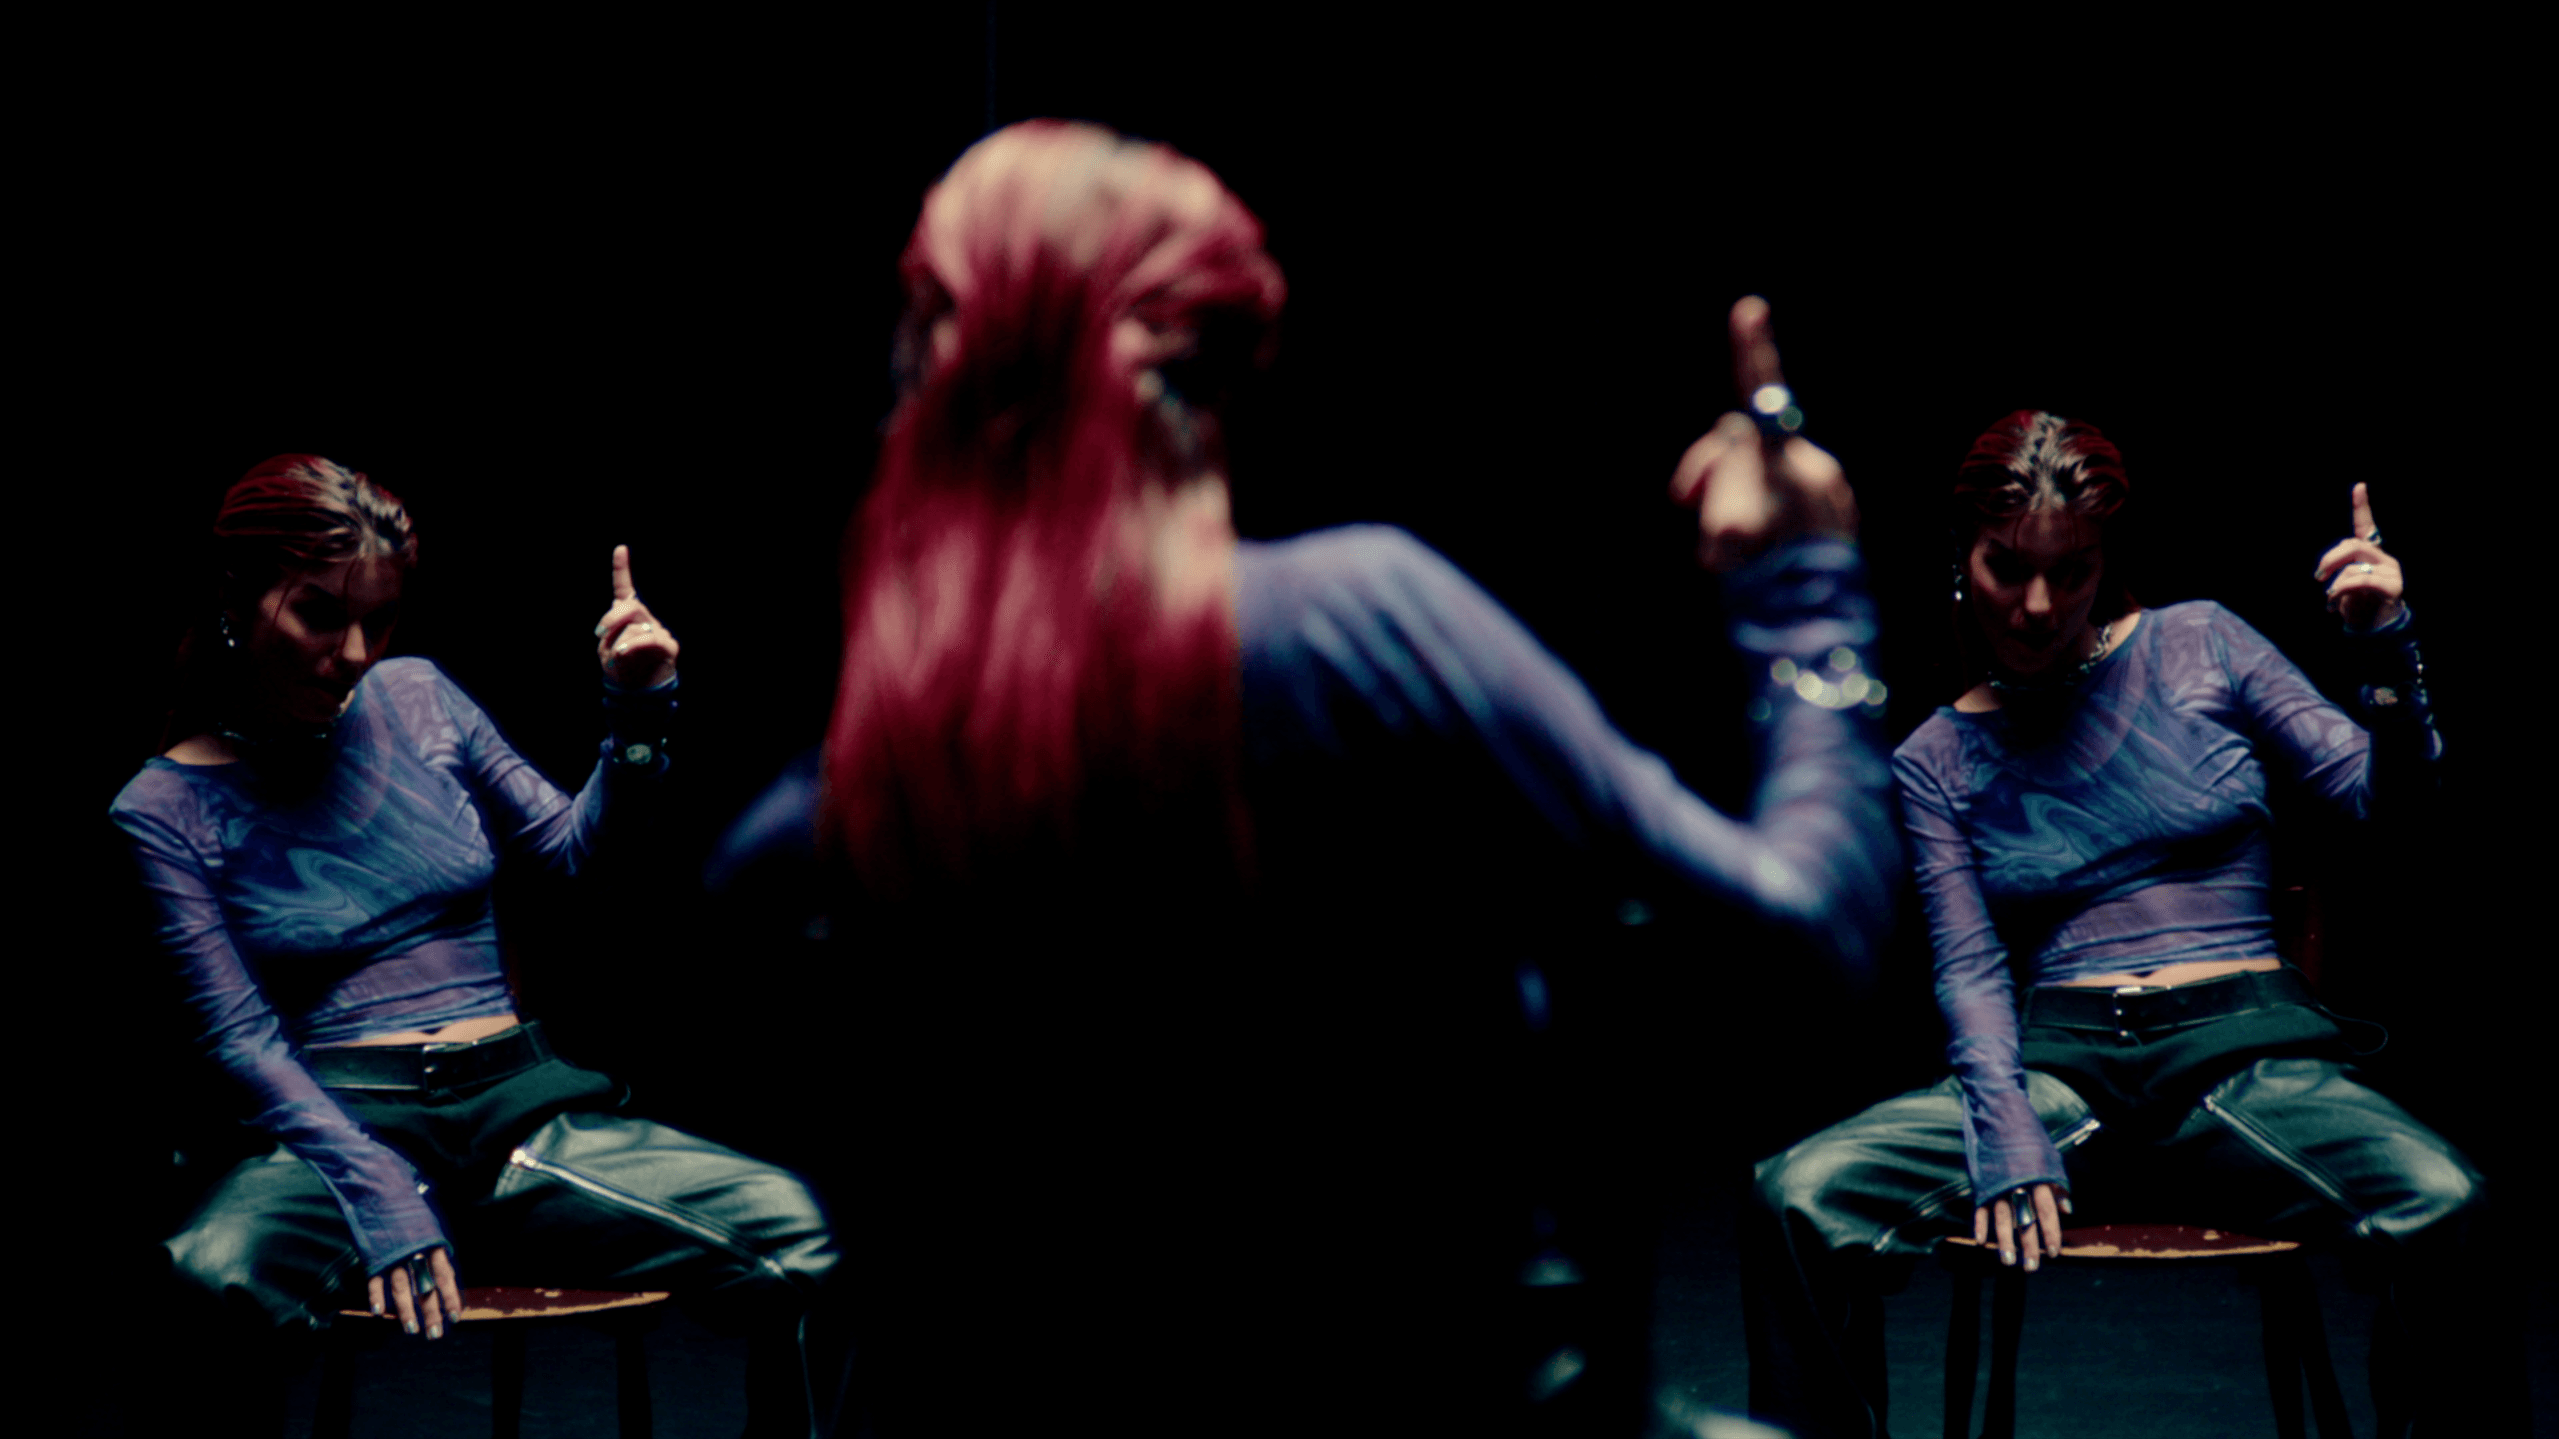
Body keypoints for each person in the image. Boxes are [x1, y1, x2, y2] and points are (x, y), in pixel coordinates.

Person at [711, 119, 1898, 1435]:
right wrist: (1800, 590)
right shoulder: (1352, 632)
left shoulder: (806, 846)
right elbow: (1806, 935)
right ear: (1196, 385)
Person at [1744, 411, 2505, 1436]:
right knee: (1795, 1196)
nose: (2039, 604)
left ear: (2107, 559)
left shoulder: (2202, 642)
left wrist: (2383, 643)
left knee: (2446, 1202)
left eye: (2072, 569)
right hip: (2061, 1078)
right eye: (2008, 566)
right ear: (1963, 558)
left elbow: (2390, 810)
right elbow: (1968, 967)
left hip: (2243, 1063)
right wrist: (2004, 1126)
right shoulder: (1936, 757)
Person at [111, 454, 839, 1436]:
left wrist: (637, 711)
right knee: (208, 1275)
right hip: (339, 1132)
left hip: (513, 1115)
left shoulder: (417, 698)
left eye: (379, 619)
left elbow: (578, 858)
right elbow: (239, 1038)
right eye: (319, 614)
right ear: (236, 598)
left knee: (798, 1237)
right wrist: (378, 1189)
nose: (354, 652)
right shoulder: (163, 807)